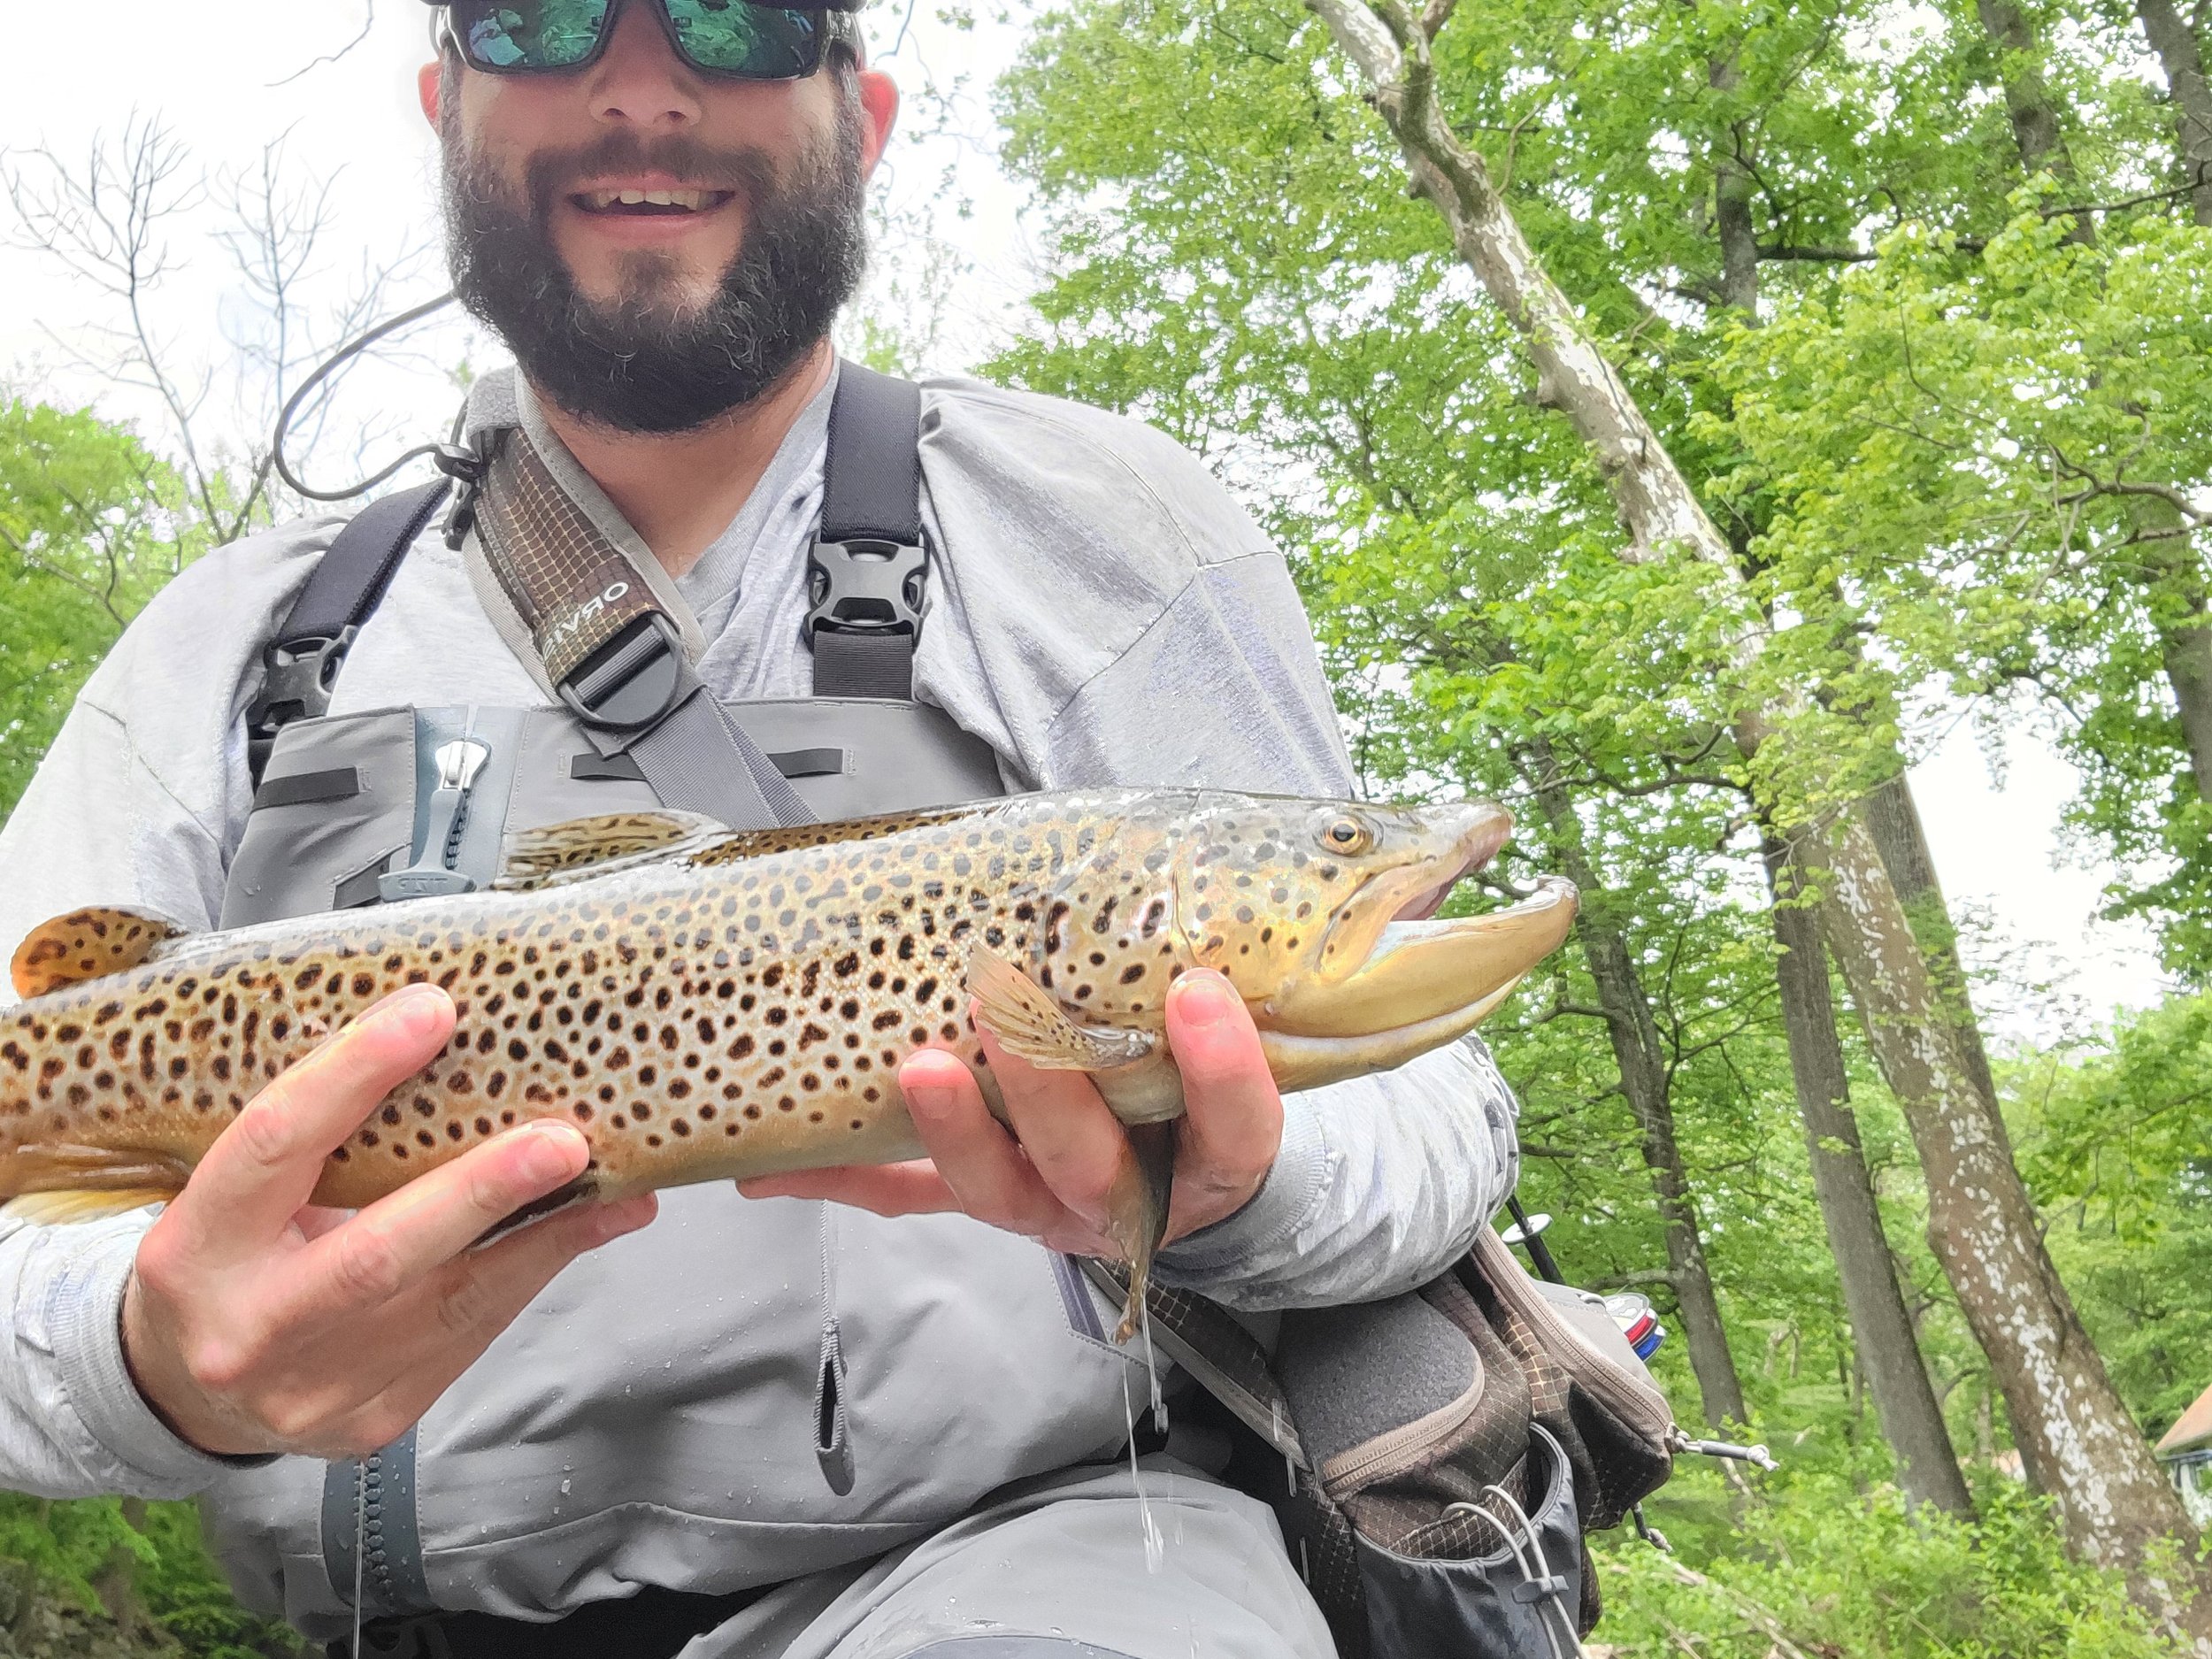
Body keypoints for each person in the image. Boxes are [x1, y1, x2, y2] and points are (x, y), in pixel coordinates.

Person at [0, 3, 1524, 1655]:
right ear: (443, 102)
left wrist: (1236, 1179)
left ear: (860, 113)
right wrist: (144, 1356)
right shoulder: (236, 643)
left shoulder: (1098, 534)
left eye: (739, 17)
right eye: (542, 14)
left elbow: (1440, 1130)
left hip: (1039, 1578)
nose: (642, 85)